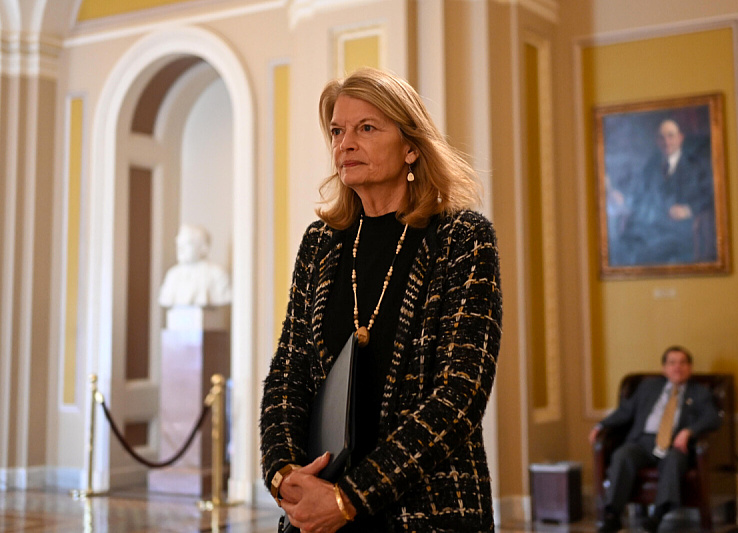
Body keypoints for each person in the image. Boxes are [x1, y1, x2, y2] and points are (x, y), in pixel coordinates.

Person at [259, 67, 503, 533]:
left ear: (411, 146)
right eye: (336, 131)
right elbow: (288, 372)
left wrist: (350, 497)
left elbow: (460, 394)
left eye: (365, 128)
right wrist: (284, 472)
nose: (344, 144)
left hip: (428, 510)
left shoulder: (463, 239)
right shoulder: (320, 244)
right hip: (318, 510)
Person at [588, 346, 723, 533]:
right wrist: (601, 426)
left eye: (683, 363)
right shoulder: (647, 387)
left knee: (674, 461)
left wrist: (689, 431)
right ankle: (612, 515)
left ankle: (657, 516)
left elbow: (712, 418)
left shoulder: (700, 392)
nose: (677, 367)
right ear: (664, 368)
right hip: (642, 442)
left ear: (690, 368)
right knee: (622, 455)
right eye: (672, 363)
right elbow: (625, 411)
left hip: (675, 444)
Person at [613, 118, 716, 266]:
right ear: (657, 141)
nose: (666, 141)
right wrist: (624, 198)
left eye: (671, 136)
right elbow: (639, 193)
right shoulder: (651, 165)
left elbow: (710, 194)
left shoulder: (695, 165)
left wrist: (689, 209)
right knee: (625, 247)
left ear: (680, 138)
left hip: (681, 228)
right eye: (662, 137)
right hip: (651, 228)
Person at [158, 223, 232, 308]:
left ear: (203, 248)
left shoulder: (217, 274)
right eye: (179, 243)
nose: (181, 248)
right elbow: (165, 299)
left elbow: (224, 299)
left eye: (188, 243)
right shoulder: (172, 275)